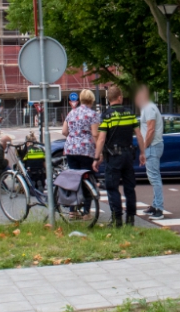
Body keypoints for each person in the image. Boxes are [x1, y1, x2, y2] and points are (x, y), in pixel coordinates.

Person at [93, 85, 142, 227]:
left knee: (112, 187)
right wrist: (143, 153)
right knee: (129, 187)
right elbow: (138, 134)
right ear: (120, 97)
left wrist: (96, 158)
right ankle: (131, 218)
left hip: (113, 157)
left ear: (109, 100)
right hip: (128, 155)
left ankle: (117, 219)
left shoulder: (106, 115)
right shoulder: (130, 113)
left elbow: (101, 139)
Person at [61, 89, 100, 217]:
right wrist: (99, 152)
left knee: (74, 179)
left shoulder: (71, 113)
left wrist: (74, 136)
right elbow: (95, 134)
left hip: (70, 149)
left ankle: (72, 211)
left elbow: (64, 131)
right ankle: (86, 212)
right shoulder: (92, 114)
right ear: (92, 100)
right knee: (87, 178)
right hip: (86, 149)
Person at [135, 85, 164, 220]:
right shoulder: (147, 108)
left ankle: (159, 208)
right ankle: (154, 205)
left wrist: (144, 147)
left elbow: (151, 130)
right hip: (153, 145)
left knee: (154, 177)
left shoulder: (149, 108)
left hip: (152, 145)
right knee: (153, 176)